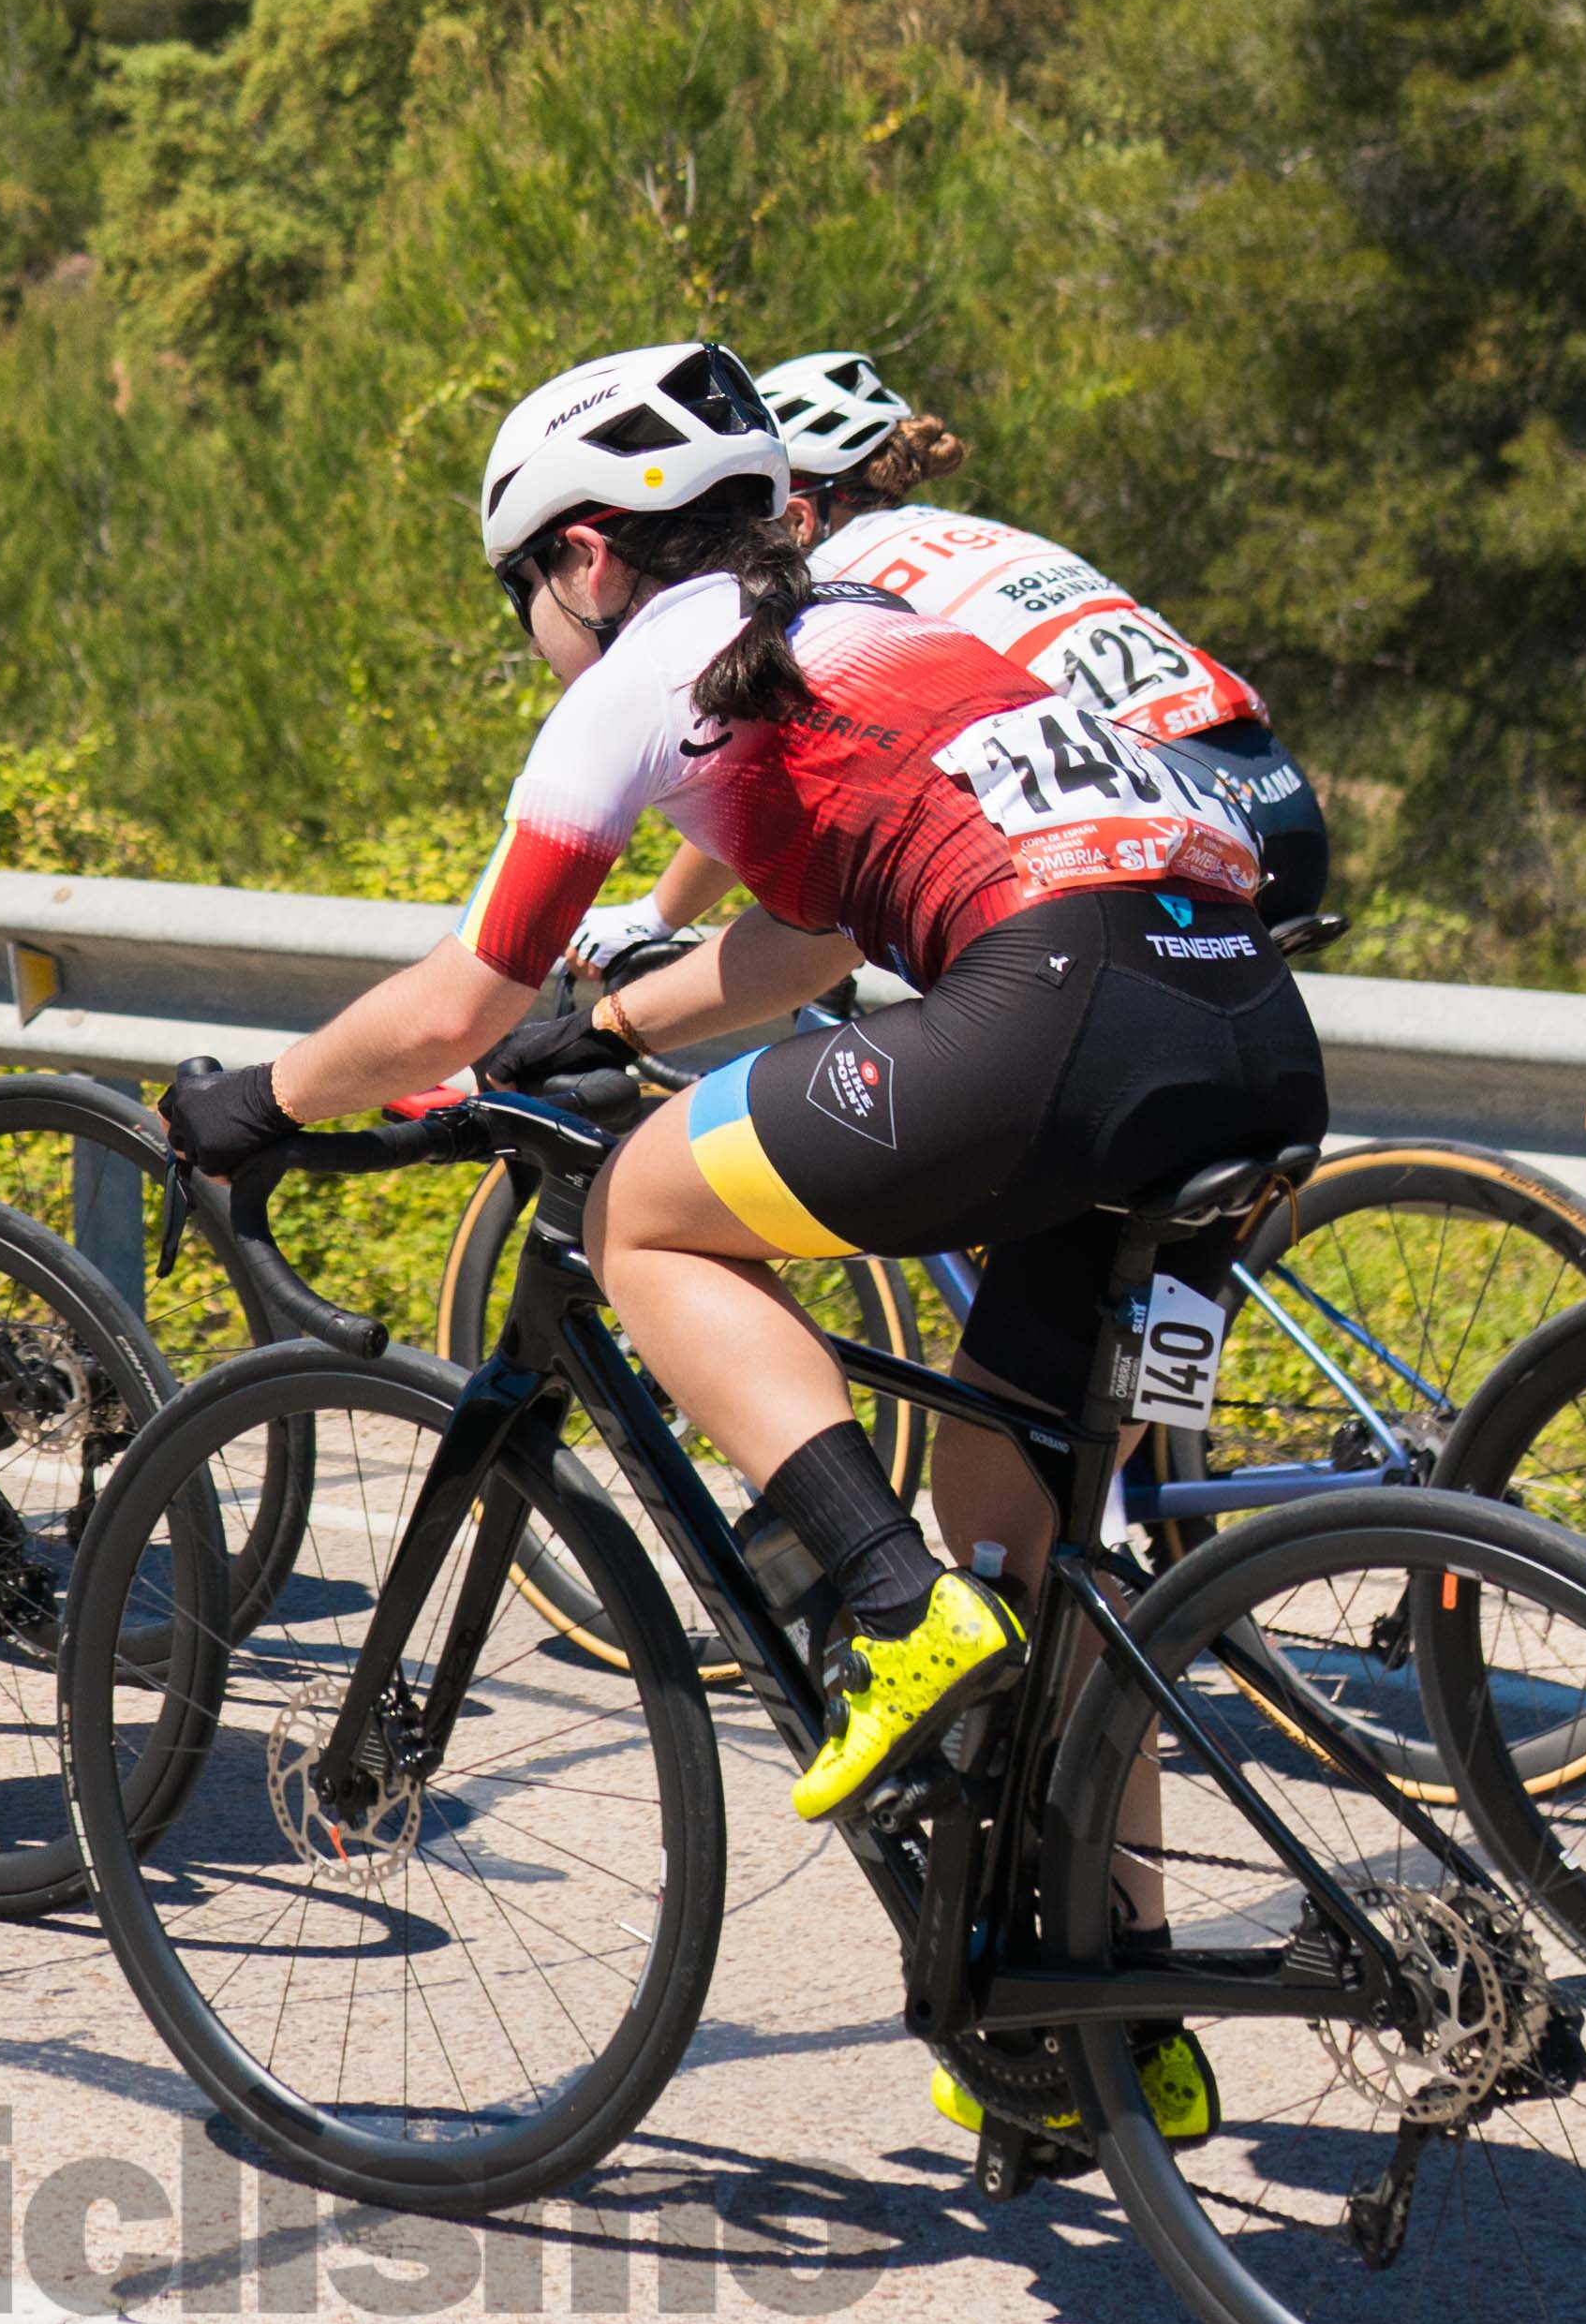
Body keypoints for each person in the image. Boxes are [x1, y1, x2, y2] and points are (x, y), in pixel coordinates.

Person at [161, 335, 1316, 2119]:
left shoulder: (642, 669)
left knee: (643, 1221)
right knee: (1021, 1525)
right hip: (1238, 1027)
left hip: (1059, 1014)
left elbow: (458, 997)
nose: (529, 635)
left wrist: (261, 1097)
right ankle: (1103, 2001)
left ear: (582, 554)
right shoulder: (854, 617)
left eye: (517, 595)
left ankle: (876, 1606)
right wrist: (605, 1026)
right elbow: (801, 947)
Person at [746, 353, 1332, 929]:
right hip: (1282, 800)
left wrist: (657, 916)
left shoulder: (837, 574)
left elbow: (780, 759)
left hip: (1171, 815)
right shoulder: (980, 534)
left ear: (800, 514)